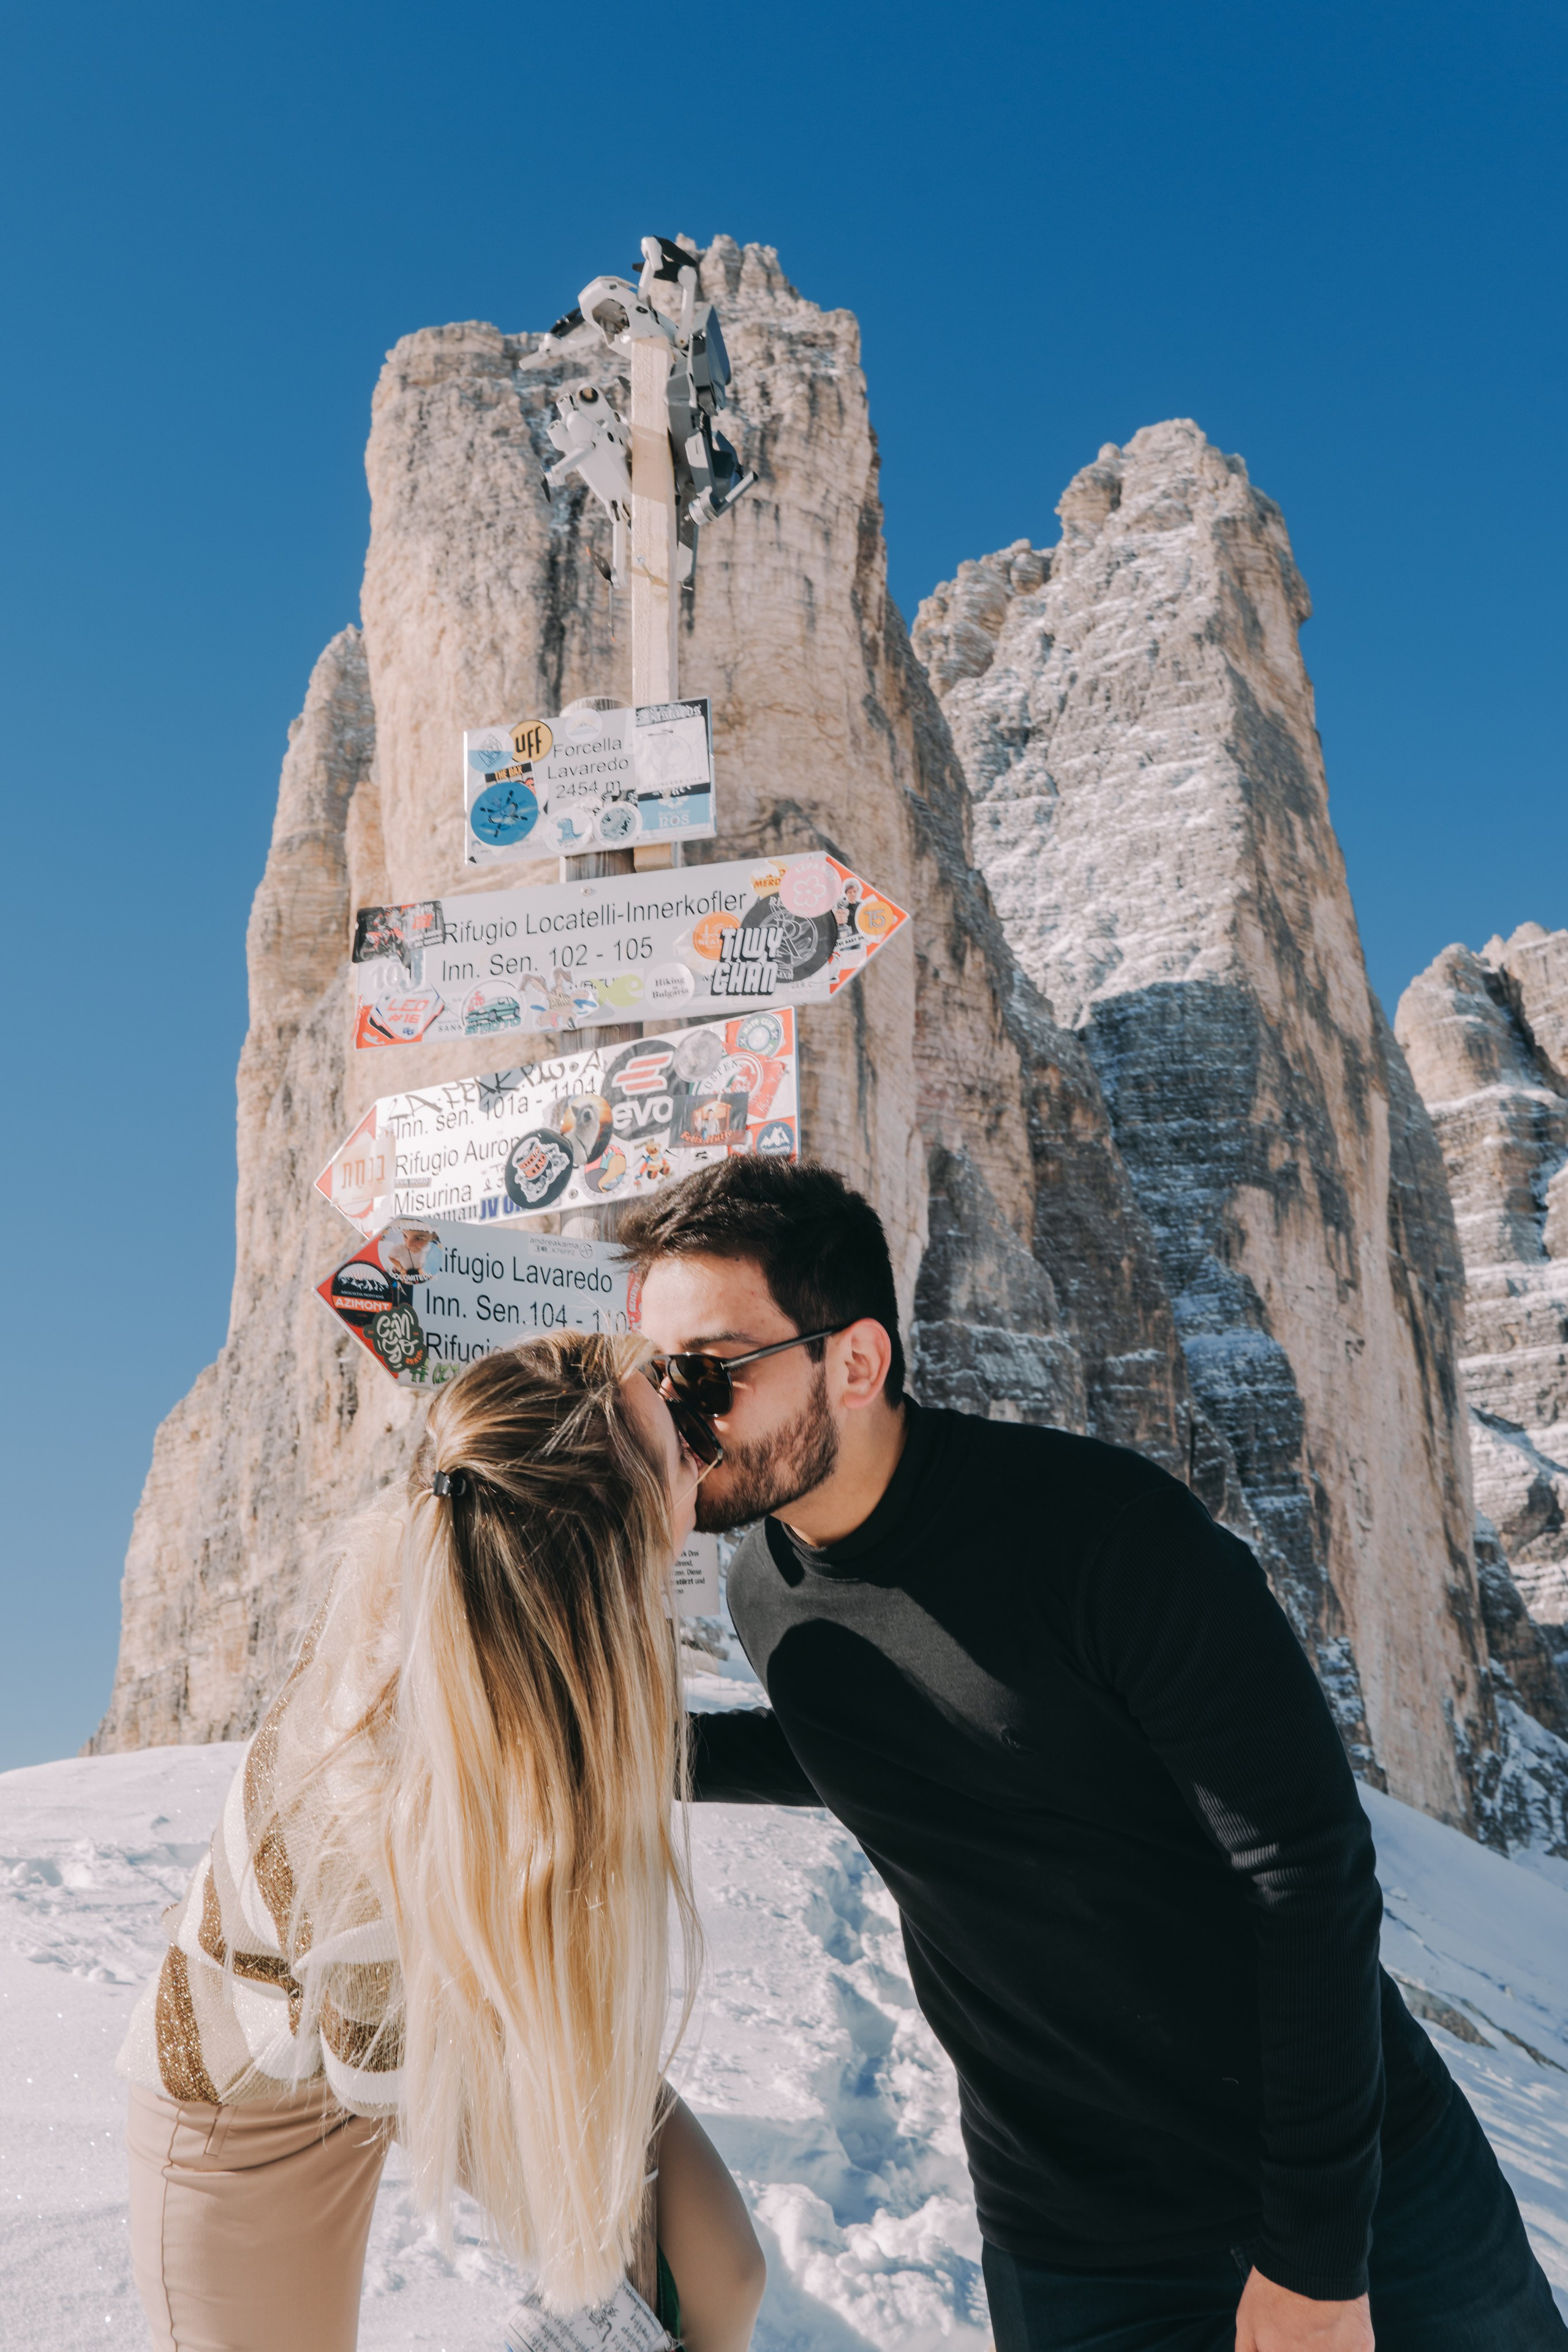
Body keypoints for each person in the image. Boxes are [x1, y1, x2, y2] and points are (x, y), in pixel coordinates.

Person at [620, 1158, 1568, 2352]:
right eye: (657, 1375)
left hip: (1365, 2199)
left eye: (709, 1373)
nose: (673, 1414)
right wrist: (625, 1753)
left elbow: (1308, 1876)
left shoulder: (1106, 1537)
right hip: (1071, 2244)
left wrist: (1316, 2258)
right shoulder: (766, 1588)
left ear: (854, 1363)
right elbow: (885, 1743)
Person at [119, 1336, 766, 2352]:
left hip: (437, 1988)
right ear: (602, 1560)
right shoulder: (376, 1807)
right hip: (249, 2099)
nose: (706, 1449)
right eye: (679, 1437)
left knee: (714, 2266)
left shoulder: (486, 1572)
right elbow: (404, 2046)